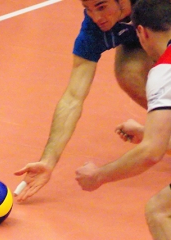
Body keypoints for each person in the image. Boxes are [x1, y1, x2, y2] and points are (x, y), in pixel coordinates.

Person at [13, 0, 154, 201]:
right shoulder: (93, 30)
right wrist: (48, 161)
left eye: (102, 7)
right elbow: (72, 98)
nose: (96, 17)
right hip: (140, 39)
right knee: (129, 73)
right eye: (88, 10)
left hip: (163, 29)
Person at [76, 0, 171, 238]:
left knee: (159, 212)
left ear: (141, 32)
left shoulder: (164, 72)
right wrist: (146, 132)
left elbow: (151, 153)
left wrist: (99, 175)